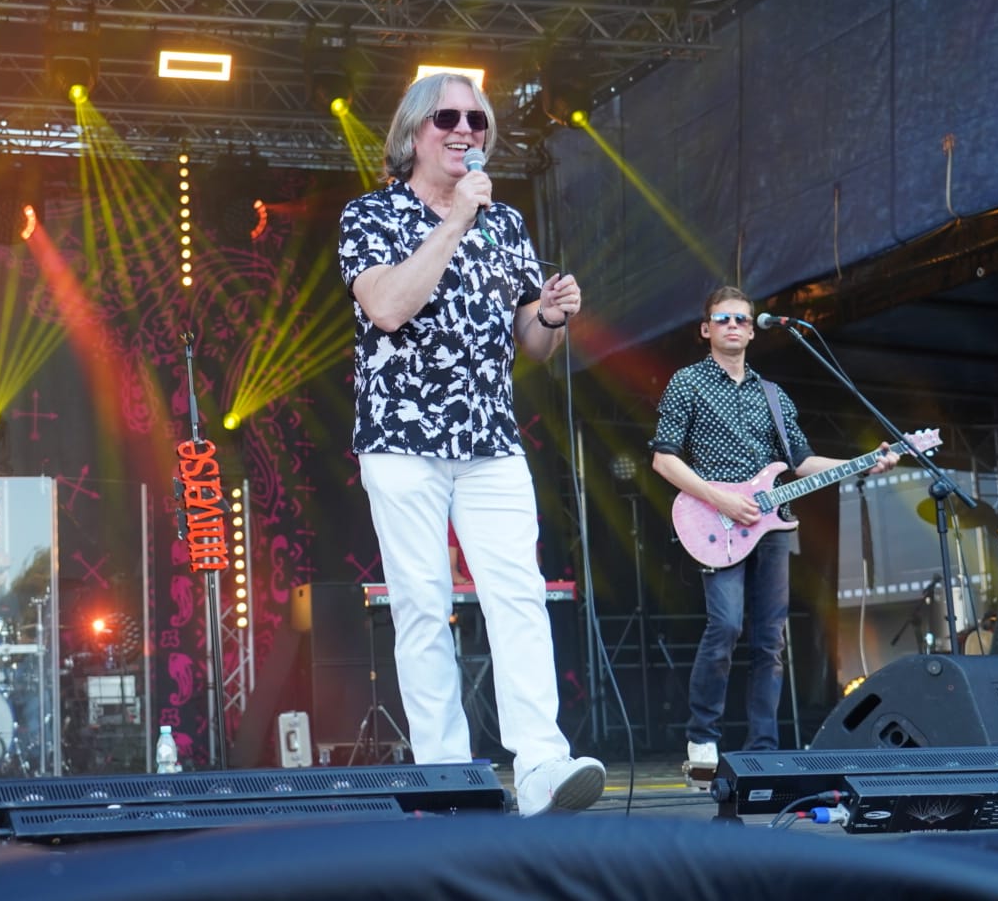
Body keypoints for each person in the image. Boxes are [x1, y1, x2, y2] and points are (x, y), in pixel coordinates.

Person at [338, 72, 605, 817]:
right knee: (423, 605)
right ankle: (447, 774)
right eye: (448, 118)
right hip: (401, 438)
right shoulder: (372, 215)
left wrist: (550, 316)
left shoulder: (506, 224)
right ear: (413, 133)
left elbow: (530, 344)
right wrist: (453, 220)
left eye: (478, 121)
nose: (466, 130)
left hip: (489, 436)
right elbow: (388, 308)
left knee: (518, 595)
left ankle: (542, 765)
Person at [650, 287, 899, 772]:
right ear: (705, 329)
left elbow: (801, 461)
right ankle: (702, 738)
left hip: (773, 525)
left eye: (742, 319)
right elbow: (663, 458)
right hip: (718, 520)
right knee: (726, 625)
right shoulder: (688, 382)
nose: (733, 326)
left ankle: (763, 748)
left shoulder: (773, 394)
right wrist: (720, 497)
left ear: (752, 330)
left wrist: (864, 463)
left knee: (770, 639)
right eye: (723, 319)